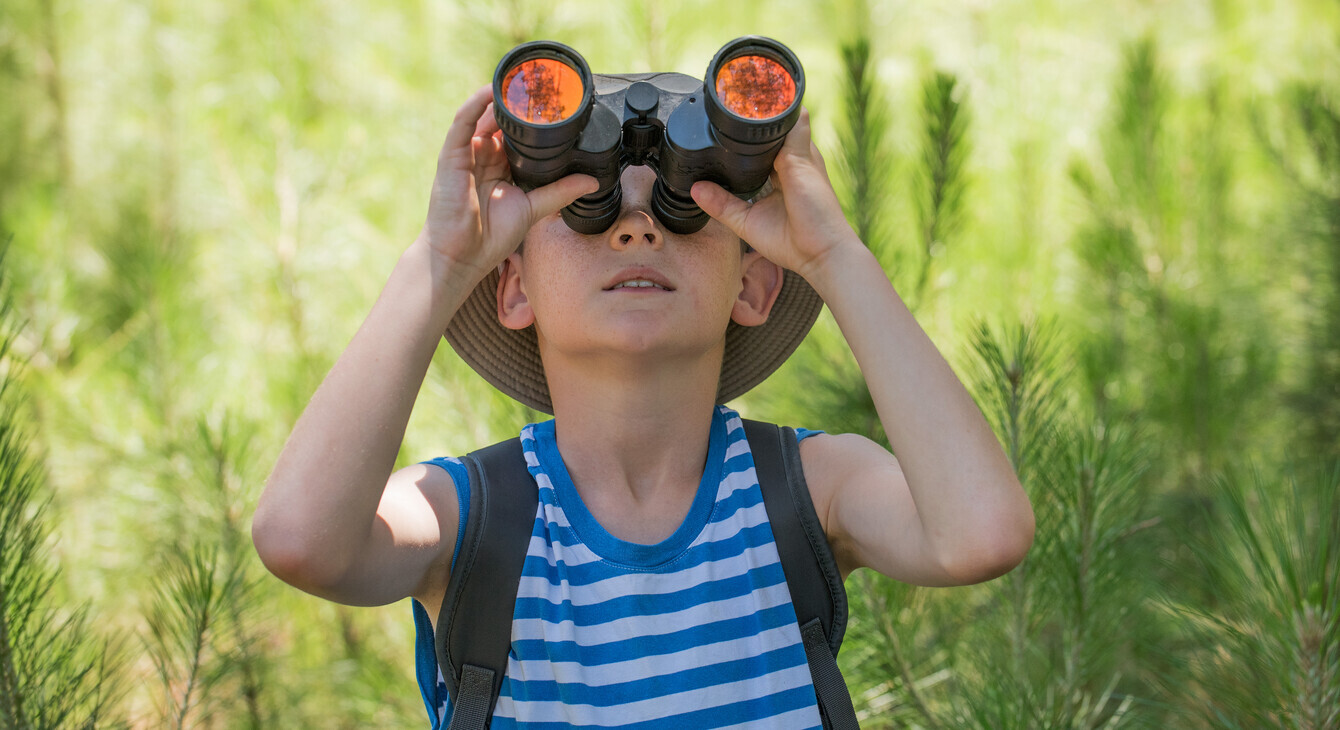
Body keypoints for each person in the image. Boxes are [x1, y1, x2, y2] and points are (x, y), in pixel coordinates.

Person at [252, 84, 1036, 728]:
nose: (636, 228)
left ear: (754, 285)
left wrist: (836, 257)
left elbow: (981, 535)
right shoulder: (474, 517)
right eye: (586, 208)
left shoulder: (806, 489)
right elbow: (300, 540)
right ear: (513, 286)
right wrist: (438, 263)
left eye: (683, 210)